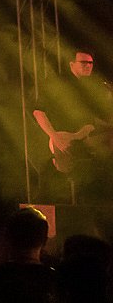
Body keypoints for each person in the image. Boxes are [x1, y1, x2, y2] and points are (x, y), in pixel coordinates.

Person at [32, 49, 113, 199]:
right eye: (83, 62)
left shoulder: (94, 88)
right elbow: (38, 112)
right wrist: (54, 136)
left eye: (90, 63)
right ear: (71, 64)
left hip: (85, 140)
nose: (88, 66)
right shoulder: (56, 84)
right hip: (62, 142)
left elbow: (96, 119)